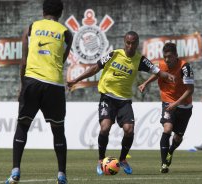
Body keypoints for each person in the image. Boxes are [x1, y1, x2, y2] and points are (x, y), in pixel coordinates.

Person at [67, 31, 174, 176]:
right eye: (128, 43)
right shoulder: (114, 55)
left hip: (124, 100)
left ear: (137, 44)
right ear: (124, 43)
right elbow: (95, 68)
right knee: (105, 128)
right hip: (108, 97)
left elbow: (156, 70)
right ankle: (100, 160)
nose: (130, 46)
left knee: (129, 130)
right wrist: (76, 79)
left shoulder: (140, 60)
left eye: (133, 43)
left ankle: (123, 159)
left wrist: (166, 75)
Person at [5, 0, 72, 183]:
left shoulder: (32, 27)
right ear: (60, 13)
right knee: (58, 130)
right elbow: (62, 60)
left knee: (23, 126)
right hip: (54, 84)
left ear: (43, 11)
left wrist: (22, 85)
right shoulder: (67, 33)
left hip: (32, 82)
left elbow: (24, 61)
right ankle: (61, 174)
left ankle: (15, 171)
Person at [138, 42, 194, 173]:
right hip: (168, 102)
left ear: (176, 55)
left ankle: (171, 151)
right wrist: (145, 83)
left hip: (184, 106)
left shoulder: (185, 67)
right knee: (167, 128)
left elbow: (190, 90)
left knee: (178, 137)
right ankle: (164, 164)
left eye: (170, 56)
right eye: (165, 57)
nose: (167, 59)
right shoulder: (162, 65)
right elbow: (158, 74)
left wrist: (177, 103)